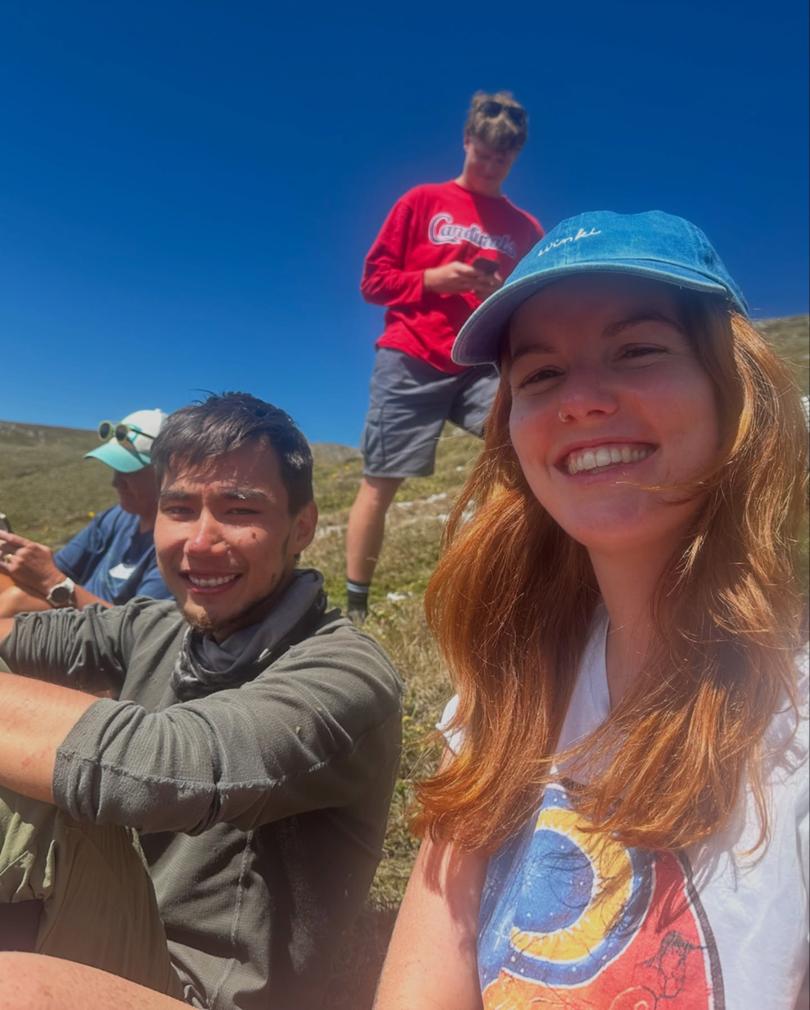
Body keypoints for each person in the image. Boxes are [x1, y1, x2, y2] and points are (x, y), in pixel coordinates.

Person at [374, 211, 809, 1010]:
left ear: (730, 388)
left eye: (637, 351)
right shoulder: (501, 684)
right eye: (538, 376)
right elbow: (434, 953)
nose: (579, 401)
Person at [0, 392, 403, 1010]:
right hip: (111, 910)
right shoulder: (159, 625)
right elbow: (17, 638)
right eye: (180, 509)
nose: (201, 541)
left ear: (302, 526)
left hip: (197, 989)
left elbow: (168, 770)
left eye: (240, 509)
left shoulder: (347, 673)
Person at [345, 90, 544, 622]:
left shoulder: (526, 229)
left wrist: (496, 294)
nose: (491, 163)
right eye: (484, 151)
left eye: (503, 156)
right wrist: (432, 279)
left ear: (516, 156)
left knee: (524, 449)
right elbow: (373, 281)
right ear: (467, 140)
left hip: (480, 360)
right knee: (382, 480)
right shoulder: (420, 202)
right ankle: (356, 605)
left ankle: (503, 578)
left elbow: (535, 302)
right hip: (411, 355)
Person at [0, 408, 170, 616]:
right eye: (115, 470)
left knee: (13, 603)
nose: (116, 482)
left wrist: (54, 581)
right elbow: (58, 568)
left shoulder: (173, 548)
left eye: (128, 470)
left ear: (164, 475)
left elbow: (139, 632)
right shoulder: (114, 517)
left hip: (98, 639)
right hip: (72, 617)